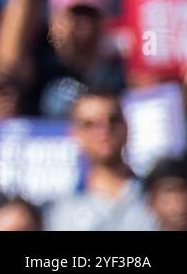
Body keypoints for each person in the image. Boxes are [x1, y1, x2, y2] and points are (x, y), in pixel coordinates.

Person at [44, 91, 157, 231]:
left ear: (126, 127)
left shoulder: (156, 195)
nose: (104, 130)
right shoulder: (59, 209)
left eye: (113, 120)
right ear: (75, 134)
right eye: (89, 124)